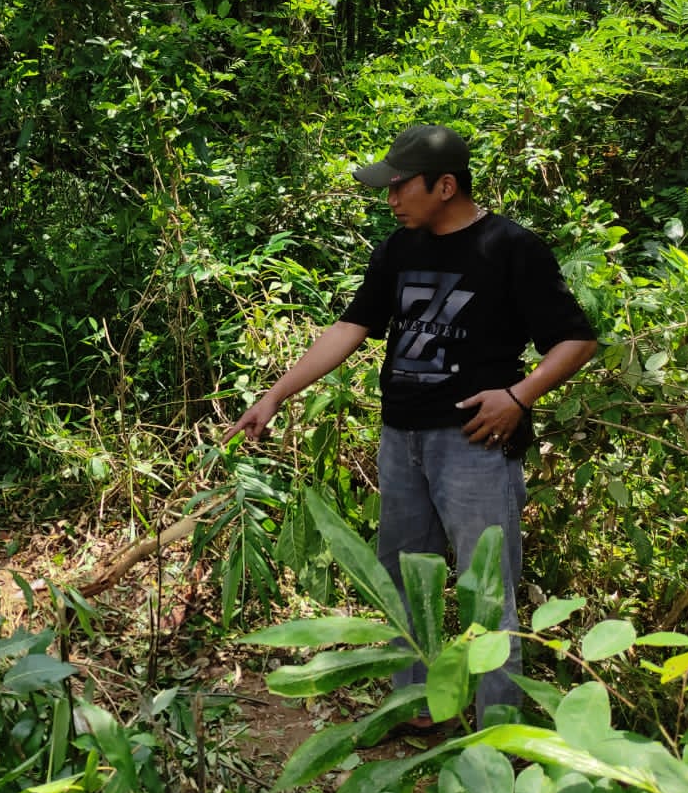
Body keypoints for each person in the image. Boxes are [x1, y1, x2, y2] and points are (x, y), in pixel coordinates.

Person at [226, 124, 597, 723]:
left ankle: (496, 731)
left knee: (487, 595)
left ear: (445, 186)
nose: (391, 199)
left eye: (401, 187)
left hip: (475, 445)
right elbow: (350, 329)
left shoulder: (511, 248)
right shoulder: (399, 250)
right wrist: (274, 396)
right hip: (402, 439)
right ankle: (415, 709)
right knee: (403, 585)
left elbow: (576, 340)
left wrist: (519, 396)